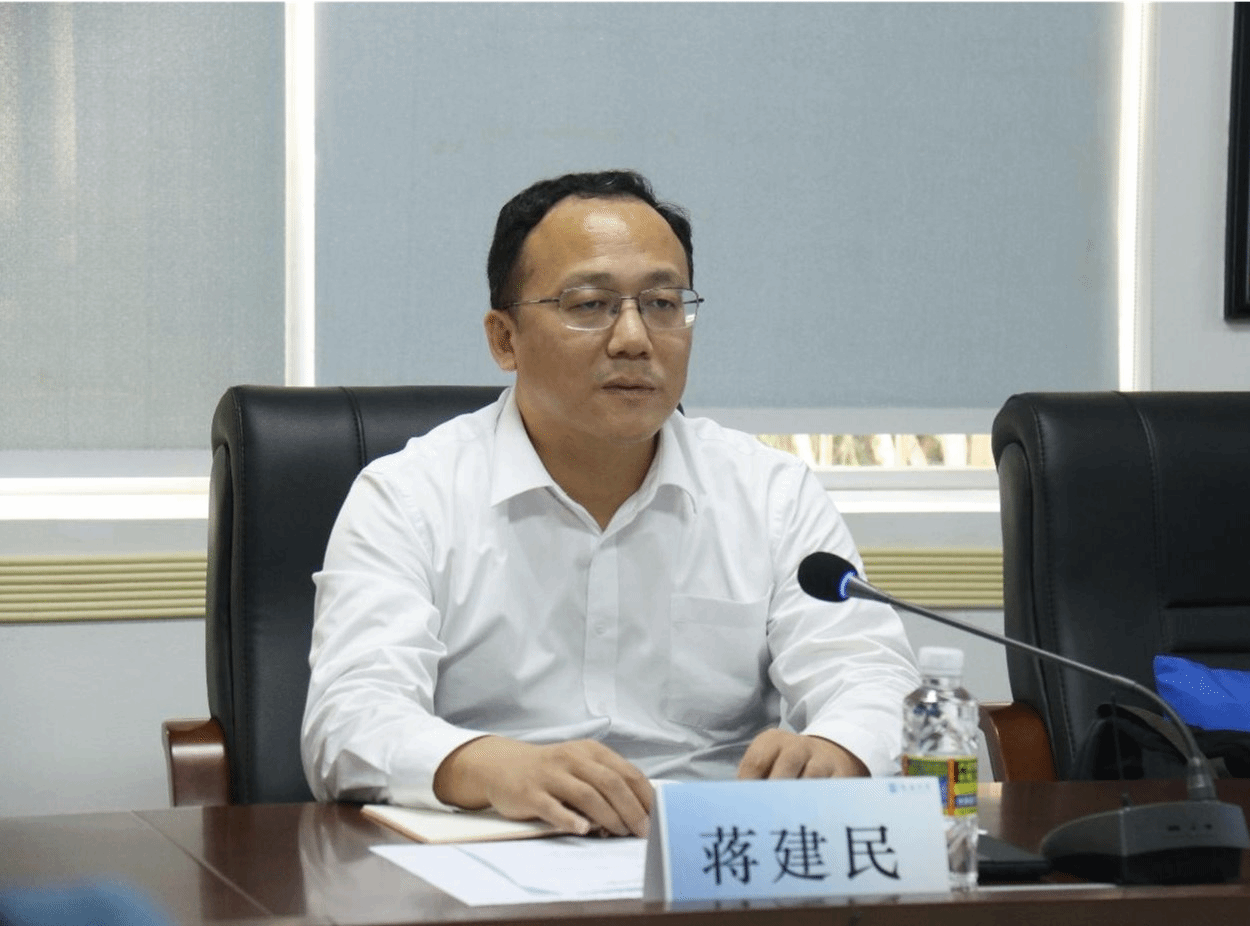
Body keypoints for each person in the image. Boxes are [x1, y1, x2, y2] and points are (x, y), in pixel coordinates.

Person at [301, 169, 918, 839]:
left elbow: (869, 674)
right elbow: (349, 716)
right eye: (590, 304)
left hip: (709, 855)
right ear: (504, 339)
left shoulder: (772, 494)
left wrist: (837, 747)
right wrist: (488, 765)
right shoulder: (409, 497)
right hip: (490, 848)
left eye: (662, 303)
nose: (633, 338)